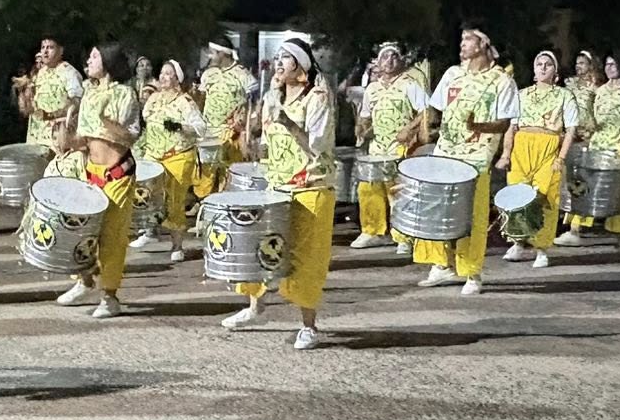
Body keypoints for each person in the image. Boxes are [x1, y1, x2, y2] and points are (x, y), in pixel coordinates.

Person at [222, 37, 336, 348]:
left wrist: (287, 122)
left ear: (301, 66)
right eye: (278, 57)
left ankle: (309, 326)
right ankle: (254, 308)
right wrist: (250, 140)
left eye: (286, 57)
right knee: (259, 247)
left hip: (310, 187)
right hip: (276, 186)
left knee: (306, 258)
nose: (278, 62)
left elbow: (316, 146)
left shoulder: (317, 98)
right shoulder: (272, 96)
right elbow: (265, 145)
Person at [415, 28, 520, 295]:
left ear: (483, 44)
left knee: (471, 216)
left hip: (476, 158)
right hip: (446, 152)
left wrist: (477, 126)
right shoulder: (453, 73)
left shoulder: (502, 81)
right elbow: (436, 108)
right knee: (437, 210)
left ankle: (472, 272)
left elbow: (504, 123)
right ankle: (441, 264)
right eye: (461, 39)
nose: (462, 44)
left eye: (468, 39)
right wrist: (421, 129)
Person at [56, 44, 141, 319]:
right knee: (82, 232)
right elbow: (85, 139)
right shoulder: (89, 93)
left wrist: (107, 122)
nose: (89, 60)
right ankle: (84, 280)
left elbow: (130, 137)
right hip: (90, 171)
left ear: (108, 61)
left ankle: (110, 297)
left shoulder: (125, 93)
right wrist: (68, 138)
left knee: (112, 238)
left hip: (117, 173)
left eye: (94, 56)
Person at [555, 54, 620, 257]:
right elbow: (594, 119)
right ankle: (574, 230)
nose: (610, 67)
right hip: (598, 147)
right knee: (582, 187)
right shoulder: (601, 90)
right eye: (608, 64)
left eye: (614, 64)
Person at [496, 50, 580, 269]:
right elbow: (511, 127)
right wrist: (506, 154)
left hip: (548, 147)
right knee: (517, 197)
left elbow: (571, 130)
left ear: (555, 71)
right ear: (534, 70)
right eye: (539, 64)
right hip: (521, 147)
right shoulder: (521, 94)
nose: (543, 67)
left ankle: (542, 248)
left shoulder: (564, 96)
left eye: (548, 64)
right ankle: (518, 241)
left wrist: (561, 157)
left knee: (546, 197)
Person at [347, 43, 429, 252]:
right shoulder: (372, 89)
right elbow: (365, 115)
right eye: (385, 57)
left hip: (400, 148)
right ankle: (372, 231)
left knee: (398, 191)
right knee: (369, 188)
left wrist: (409, 129)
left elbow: (426, 111)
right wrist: (361, 128)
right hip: (377, 149)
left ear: (400, 61)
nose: (389, 61)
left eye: (394, 57)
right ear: (378, 62)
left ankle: (403, 235)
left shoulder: (409, 85)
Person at [130, 60, 207, 261]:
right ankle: (149, 232)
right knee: (147, 196)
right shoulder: (154, 99)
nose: (163, 77)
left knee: (174, 201)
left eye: (168, 74)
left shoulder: (185, 102)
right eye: (162, 73)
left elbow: (200, 128)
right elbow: (144, 119)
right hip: (153, 154)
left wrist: (180, 127)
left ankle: (177, 245)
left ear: (177, 79)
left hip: (177, 156)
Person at [190, 39, 256, 199]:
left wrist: (246, 130)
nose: (210, 56)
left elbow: (253, 105)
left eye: (213, 53)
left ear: (222, 53)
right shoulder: (208, 74)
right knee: (205, 176)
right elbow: (201, 101)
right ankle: (204, 204)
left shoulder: (244, 75)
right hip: (208, 135)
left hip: (231, 136)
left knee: (229, 177)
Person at [13, 36, 84, 148]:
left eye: (50, 47)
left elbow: (77, 103)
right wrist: (23, 93)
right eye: (43, 47)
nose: (45, 52)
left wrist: (50, 115)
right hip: (36, 138)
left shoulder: (70, 73)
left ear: (61, 51)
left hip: (58, 139)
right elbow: (30, 107)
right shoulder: (39, 73)